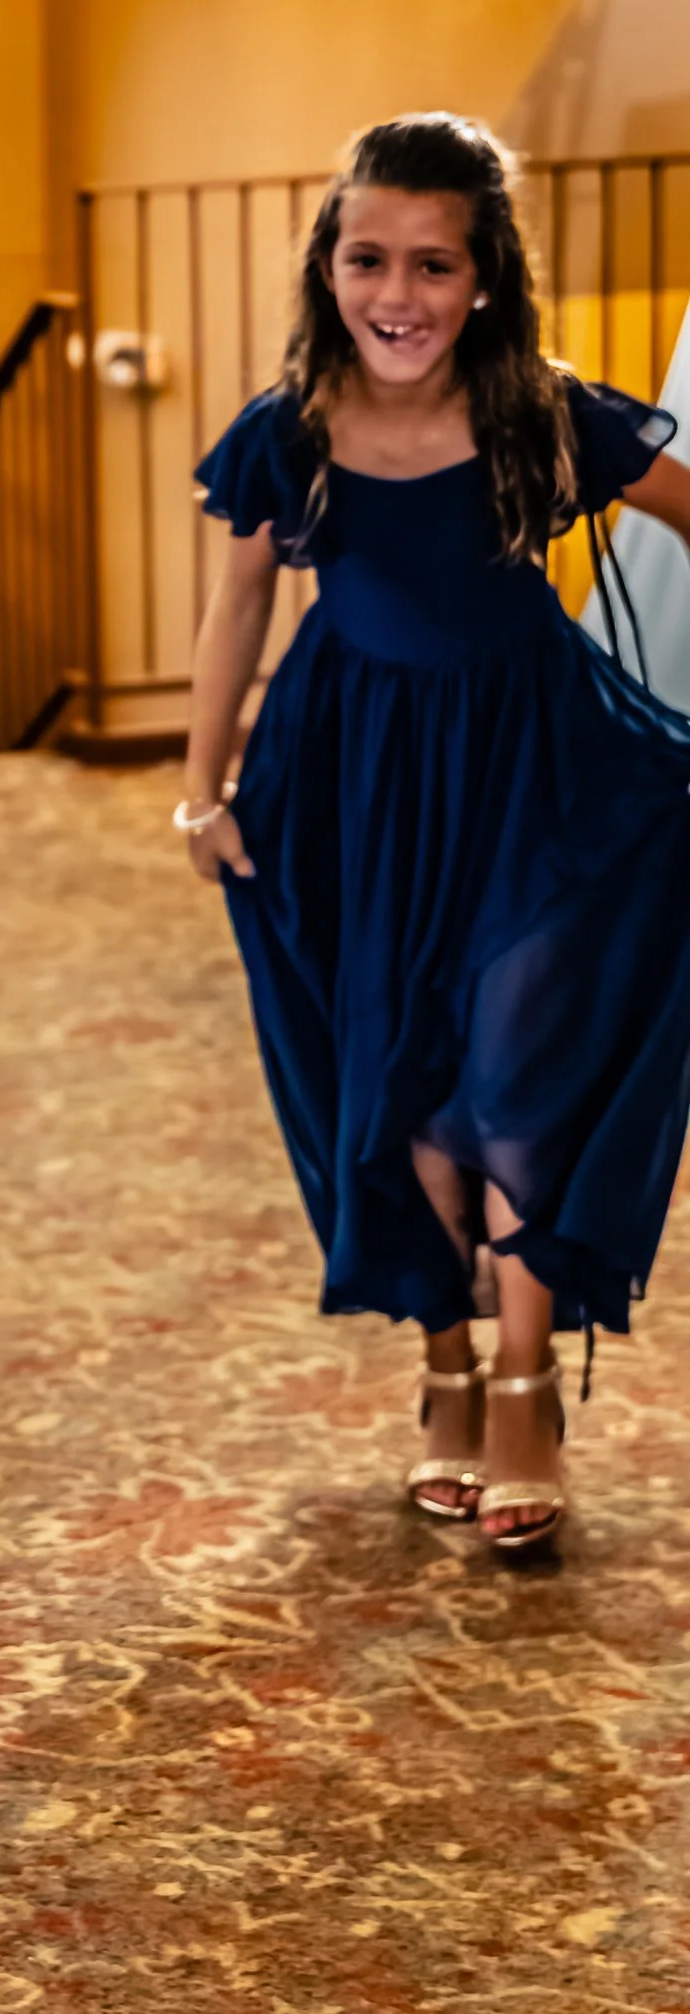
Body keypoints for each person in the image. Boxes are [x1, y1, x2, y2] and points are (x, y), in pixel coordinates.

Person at [180, 113, 690, 1557]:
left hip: (532, 766)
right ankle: (447, 1364)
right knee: (398, 1080)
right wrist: (201, 785)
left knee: (521, 1061)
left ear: (485, 277)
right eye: (367, 258)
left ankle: (527, 1382)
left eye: (434, 263)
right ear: (327, 264)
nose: (396, 292)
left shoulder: (538, 410)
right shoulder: (288, 433)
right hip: (349, 776)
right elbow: (237, 614)